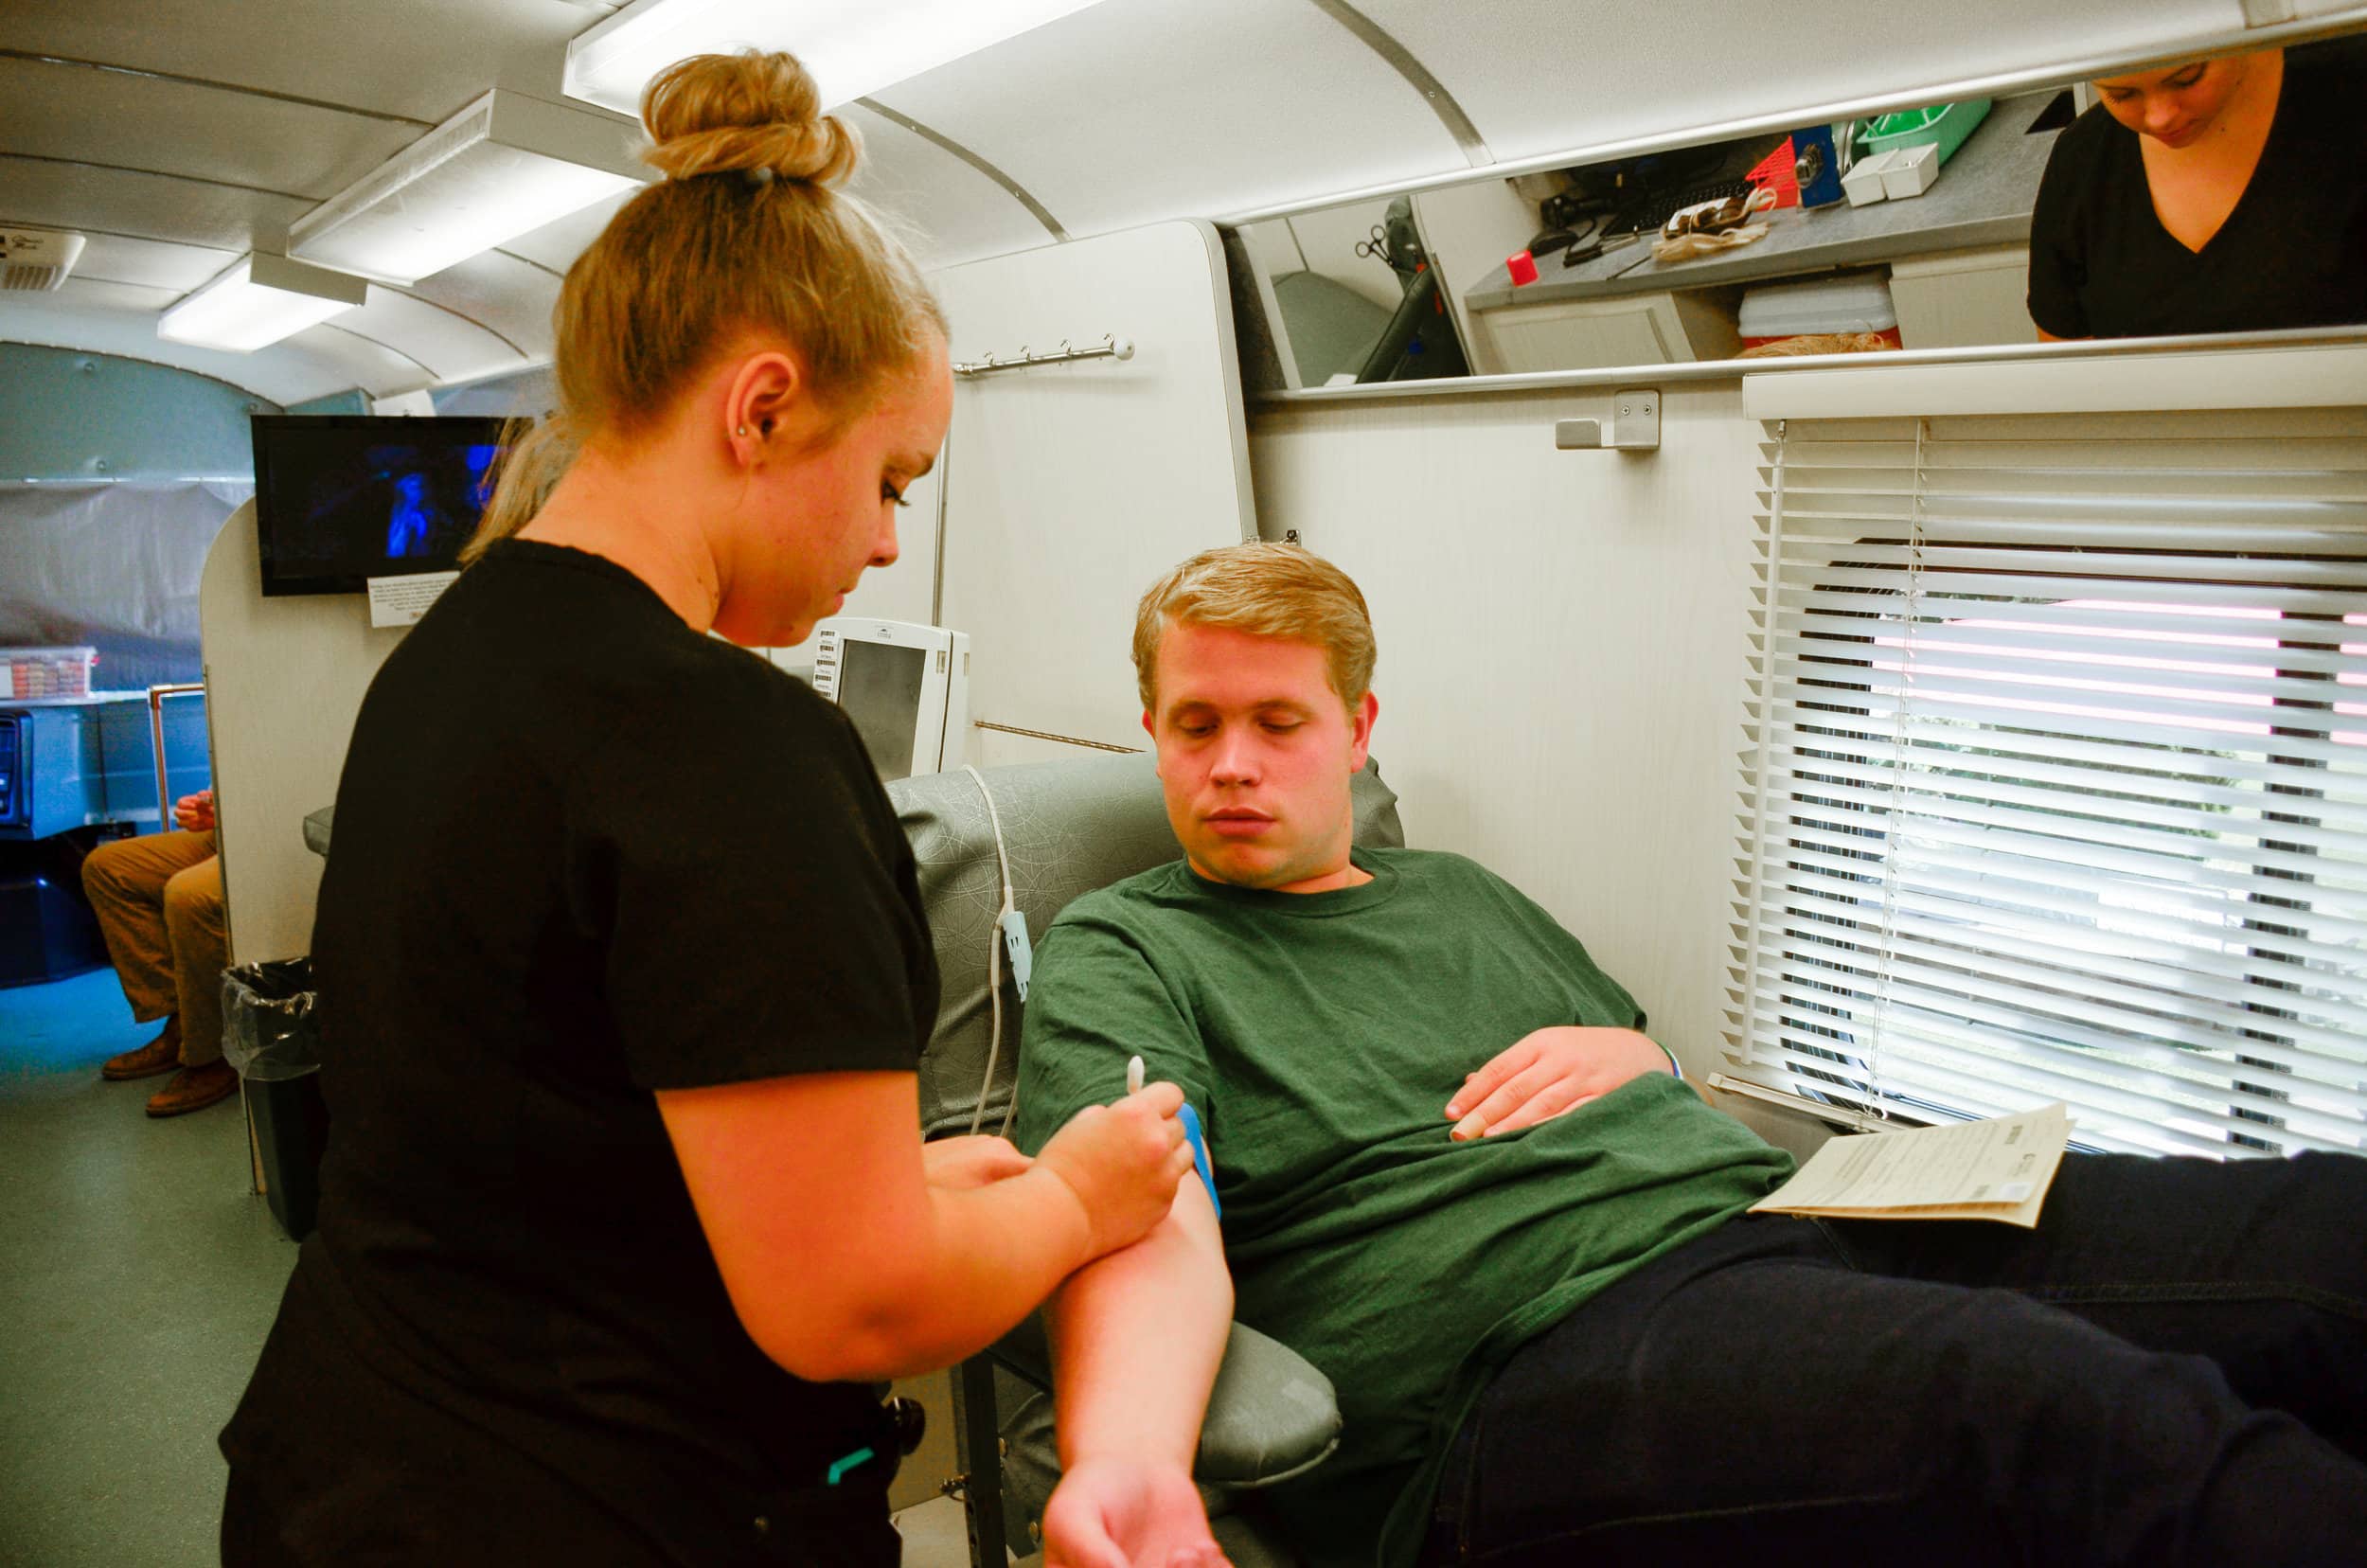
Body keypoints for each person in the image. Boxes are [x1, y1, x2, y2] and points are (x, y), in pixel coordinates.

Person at [218, 49, 1194, 1568]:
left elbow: (543, 1128)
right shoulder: (727, 742)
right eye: (891, 479)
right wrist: (1077, 1195)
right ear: (761, 409)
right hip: (601, 1509)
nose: (884, 542)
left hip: (358, 1461)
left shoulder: (460, 655)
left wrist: (901, 1187)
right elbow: (849, 1308)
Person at [1013, 542, 2367, 1568]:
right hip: (1536, 1341)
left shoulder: (1460, 893)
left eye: (1278, 723)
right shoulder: (1127, 945)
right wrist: (1129, 1458)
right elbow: (1140, 1208)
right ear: (1152, 735)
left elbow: (1651, 1074)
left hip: (1783, 1210)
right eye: (1197, 726)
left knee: (2318, 1244)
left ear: (1359, 734)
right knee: (2064, 1411)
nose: (1233, 764)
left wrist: (1648, 1066)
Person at [2026, 35, 2367, 340]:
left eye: (2187, 79)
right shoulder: (2081, 161)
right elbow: (2070, 366)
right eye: (2121, 95)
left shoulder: (2348, 91)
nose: (2160, 117)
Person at [81, 787, 236, 1116]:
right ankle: (183, 1025)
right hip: (234, 823)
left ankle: (214, 1050)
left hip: (275, 829)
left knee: (187, 894)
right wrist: (217, 804)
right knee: (107, 867)